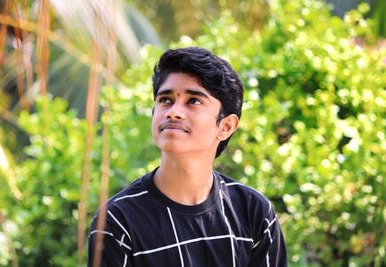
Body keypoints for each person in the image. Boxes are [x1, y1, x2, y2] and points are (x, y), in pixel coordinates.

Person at [88, 47, 287, 267]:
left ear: (226, 126)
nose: (173, 111)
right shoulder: (118, 221)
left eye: (193, 101)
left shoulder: (253, 211)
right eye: (165, 99)